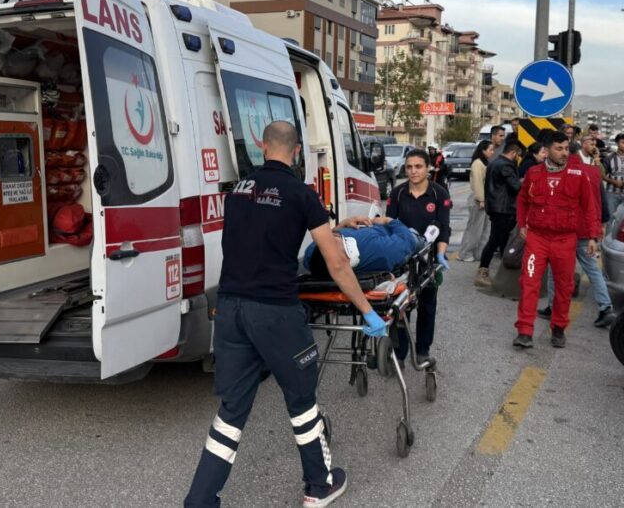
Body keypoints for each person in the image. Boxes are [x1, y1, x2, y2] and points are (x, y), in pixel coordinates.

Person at [184, 121, 386, 508]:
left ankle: (200, 500)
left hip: (230, 309)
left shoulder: (238, 192)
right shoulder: (301, 193)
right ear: (297, 152)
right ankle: (319, 486)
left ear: (262, 147)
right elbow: (337, 263)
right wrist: (367, 310)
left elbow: (262, 230)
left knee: (231, 411)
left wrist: (330, 225)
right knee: (301, 399)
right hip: (275, 312)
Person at [513, 133, 598, 348]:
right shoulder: (533, 173)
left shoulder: (578, 174)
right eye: (559, 148)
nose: (564, 152)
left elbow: (590, 206)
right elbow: (522, 201)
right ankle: (524, 331)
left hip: (565, 240)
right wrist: (522, 224)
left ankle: (558, 328)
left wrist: (592, 236)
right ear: (547, 149)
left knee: (564, 286)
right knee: (529, 283)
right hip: (537, 239)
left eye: (566, 148)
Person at [538, 134, 614, 327]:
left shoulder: (562, 172)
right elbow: (600, 201)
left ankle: (552, 306)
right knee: (592, 270)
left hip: (565, 230)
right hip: (586, 230)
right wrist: (599, 227)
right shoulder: (594, 171)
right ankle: (605, 307)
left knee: (557, 270)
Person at [386, 149, 452, 368]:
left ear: (428, 168)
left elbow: (443, 227)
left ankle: (423, 351)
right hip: (401, 260)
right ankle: (400, 353)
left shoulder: (439, 193)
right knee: (400, 307)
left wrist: (441, 253)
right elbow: (389, 226)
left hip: (428, 260)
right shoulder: (397, 194)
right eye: (409, 167)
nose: (413, 171)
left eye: (418, 166)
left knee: (427, 306)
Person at [474, 140, 523, 287]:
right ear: (513, 153)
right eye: (518, 155)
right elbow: (515, 186)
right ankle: (482, 273)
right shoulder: (506, 165)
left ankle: (505, 272)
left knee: (502, 241)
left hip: (497, 207)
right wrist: (524, 181)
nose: (518, 158)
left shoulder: (495, 163)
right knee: (495, 240)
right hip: (503, 209)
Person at [303, 216, 420, 275]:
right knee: (415, 235)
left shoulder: (311, 254)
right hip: (393, 232)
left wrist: (343, 224)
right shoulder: (378, 250)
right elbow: (408, 240)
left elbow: (329, 238)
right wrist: (388, 220)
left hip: (371, 228)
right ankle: (428, 235)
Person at [458, 140, 495, 262]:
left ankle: (480, 254)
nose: (492, 152)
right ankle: (465, 253)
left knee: (485, 230)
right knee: (475, 229)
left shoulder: (485, 162)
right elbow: (478, 182)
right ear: (483, 150)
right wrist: (481, 199)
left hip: (486, 200)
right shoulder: (477, 163)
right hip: (479, 201)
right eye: (490, 150)